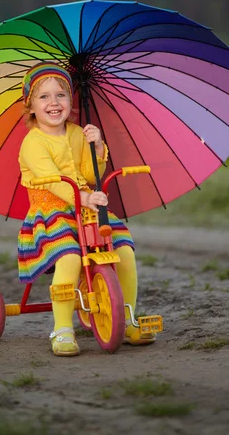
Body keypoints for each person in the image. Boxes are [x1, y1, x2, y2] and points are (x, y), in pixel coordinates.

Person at [18, 61, 155, 356]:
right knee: (69, 259)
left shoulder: (78, 133)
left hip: (86, 209)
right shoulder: (32, 143)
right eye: (44, 97)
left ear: (71, 100)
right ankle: (62, 328)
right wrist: (84, 197)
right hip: (51, 213)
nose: (54, 103)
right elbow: (55, 184)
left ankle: (128, 318)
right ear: (30, 106)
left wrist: (97, 148)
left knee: (125, 252)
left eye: (61, 95)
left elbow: (91, 176)